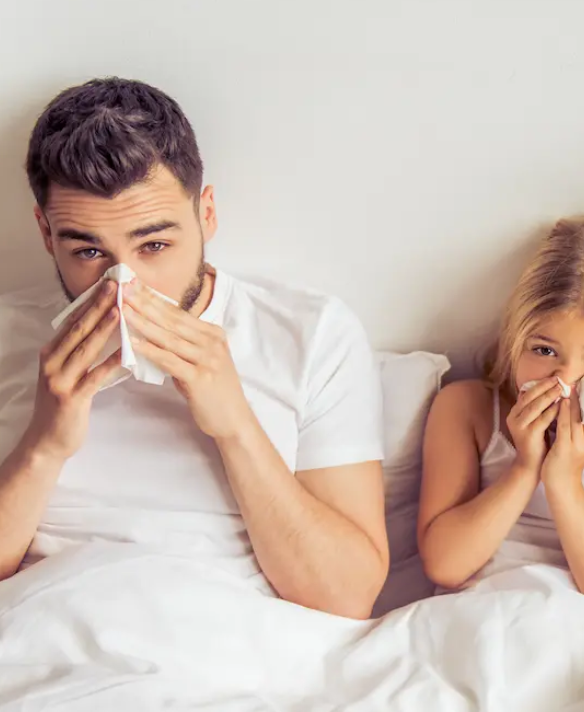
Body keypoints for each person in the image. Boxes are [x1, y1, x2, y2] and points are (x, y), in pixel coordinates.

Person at [0, 78, 388, 618]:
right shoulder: (6, 333)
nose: (123, 282)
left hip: (230, 647)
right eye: (88, 250)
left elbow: (346, 596)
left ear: (206, 213)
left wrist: (235, 426)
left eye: (154, 245)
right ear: (46, 233)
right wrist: (44, 446)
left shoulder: (311, 333)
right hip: (42, 641)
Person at [417, 215, 584, 622]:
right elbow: (444, 565)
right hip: (471, 617)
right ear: (516, 341)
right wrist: (525, 467)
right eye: (544, 351)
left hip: (572, 628)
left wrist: (563, 481)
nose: (565, 379)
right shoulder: (467, 408)